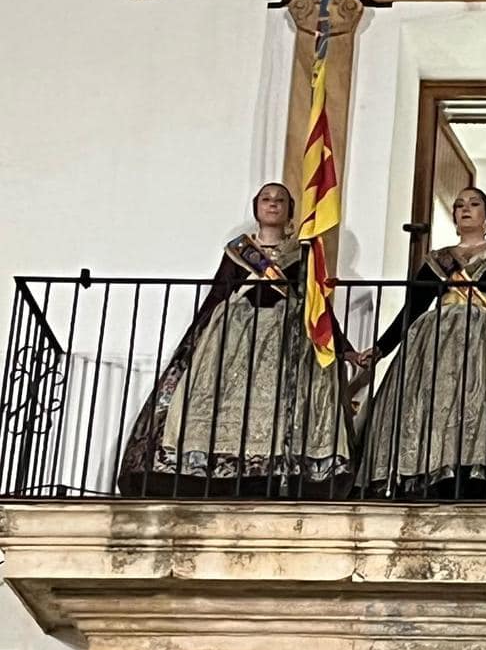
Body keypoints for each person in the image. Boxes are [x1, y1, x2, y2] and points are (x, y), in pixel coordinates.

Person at [118, 183, 354, 496]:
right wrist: (193, 340)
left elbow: (317, 307)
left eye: (280, 200)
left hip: (287, 336)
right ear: (257, 208)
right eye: (266, 199)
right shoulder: (238, 251)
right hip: (235, 335)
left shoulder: (303, 254)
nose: (272, 204)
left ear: (290, 211)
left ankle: (275, 471)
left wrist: (345, 349)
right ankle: (219, 473)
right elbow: (218, 295)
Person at [356, 187, 486, 500]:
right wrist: (381, 348)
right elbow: (412, 309)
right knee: (436, 405)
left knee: (485, 407)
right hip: (436, 344)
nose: (465, 208)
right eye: (459, 205)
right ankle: (434, 474)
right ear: (454, 217)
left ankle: (482, 475)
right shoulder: (437, 261)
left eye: (474, 203)